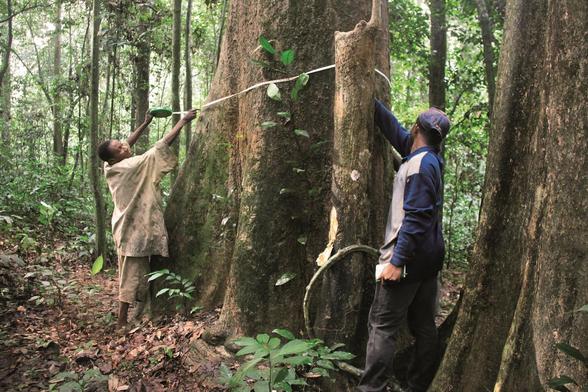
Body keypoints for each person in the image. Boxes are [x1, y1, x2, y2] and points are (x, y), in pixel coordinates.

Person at [358, 100, 450, 392]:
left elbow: (416, 219)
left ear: (416, 129)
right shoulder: (428, 157)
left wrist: (397, 262)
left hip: (408, 259)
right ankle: (417, 385)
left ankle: (371, 388)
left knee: (382, 325)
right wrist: (372, 102)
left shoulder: (420, 167)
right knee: (423, 325)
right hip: (428, 260)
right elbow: (395, 132)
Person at [97, 109, 198, 330]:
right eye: (120, 148)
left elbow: (126, 143)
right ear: (114, 158)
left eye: (121, 144)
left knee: (133, 272)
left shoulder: (109, 164)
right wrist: (182, 121)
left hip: (125, 226)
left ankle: (142, 308)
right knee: (131, 276)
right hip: (133, 230)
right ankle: (122, 321)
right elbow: (159, 148)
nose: (124, 146)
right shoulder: (129, 166)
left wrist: (144, 124)